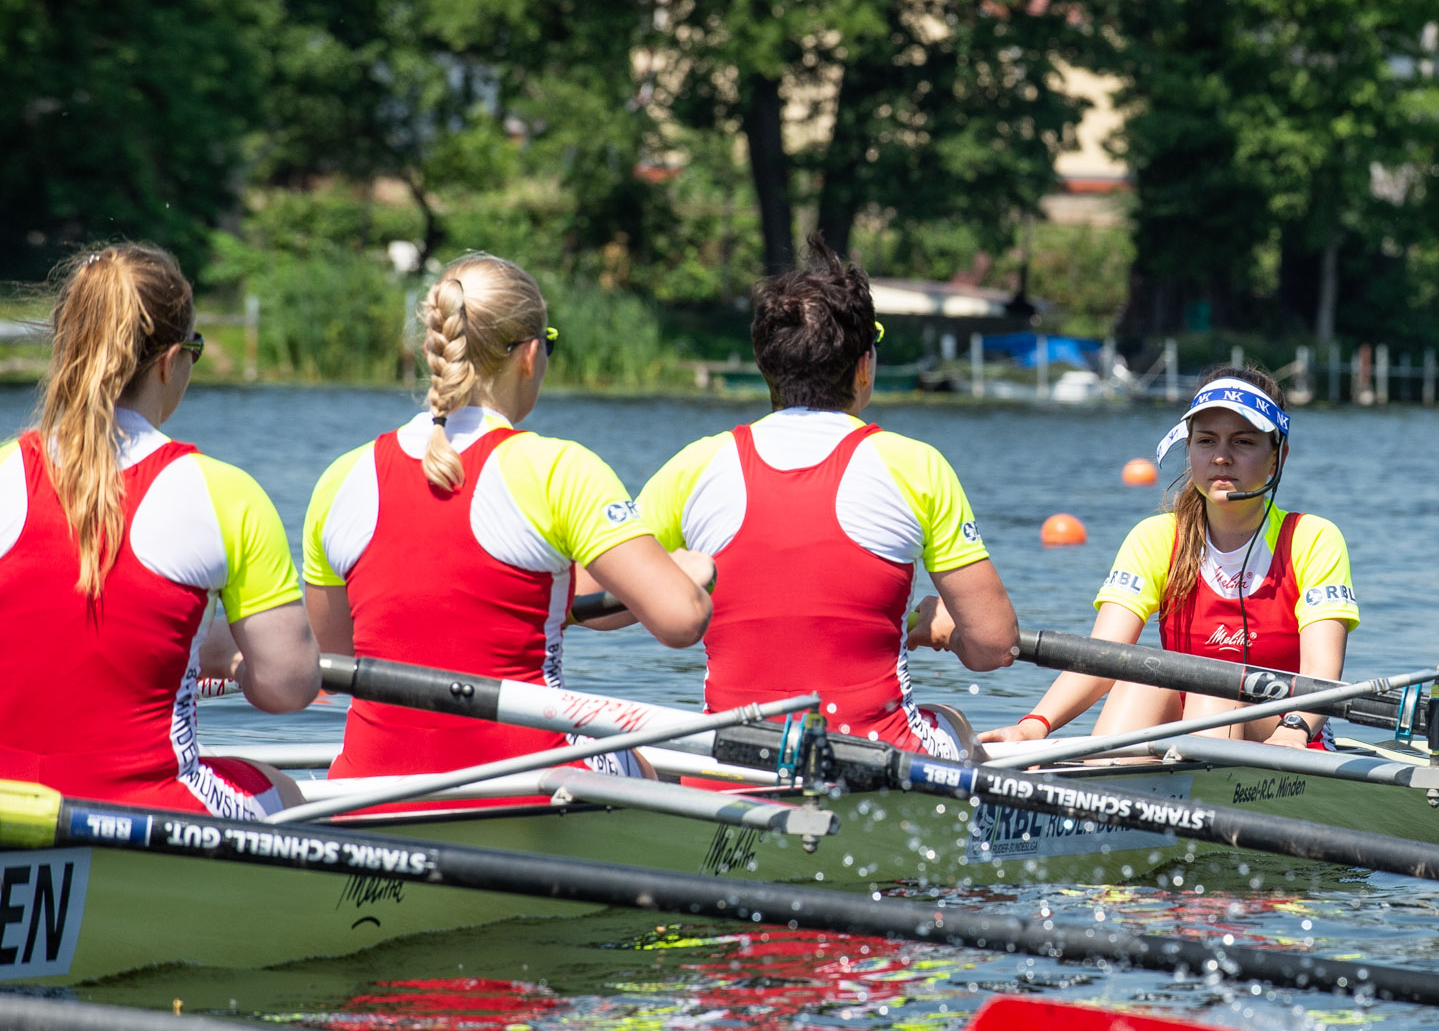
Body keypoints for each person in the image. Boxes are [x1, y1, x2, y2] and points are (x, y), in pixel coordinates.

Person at [304, 253, 712, 777]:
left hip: (371, 785)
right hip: (529, 778)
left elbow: (334, 656)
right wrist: (691, 576)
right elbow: (681, 621)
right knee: (642, 762)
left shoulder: (342, 476)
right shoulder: (558, 469)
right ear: (531, 353)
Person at [637, 231, 1017, 757]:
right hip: (877, 760)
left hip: (732, 764)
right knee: (950, 719)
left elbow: (597, 607)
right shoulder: (914, 465)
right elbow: (996, 646)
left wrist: (673, 573)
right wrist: (947, 631)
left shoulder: (694, 464)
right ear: (864, 364)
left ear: (765, 364)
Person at [0, 244, 320, 815]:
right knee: (288, 790)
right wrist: (231, 658)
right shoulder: (224, 494)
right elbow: (290, 689)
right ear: (171, 360)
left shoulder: (4, 470)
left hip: (12, 811)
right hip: (148, 810)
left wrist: (200, 647)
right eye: (194, 351)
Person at [982, 366, 1357, 750]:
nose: (1222, 458)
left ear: (1278, 456)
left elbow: (1320, 672)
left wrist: (1292, 731)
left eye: (1243, 442)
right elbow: (1101, 658)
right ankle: (1109, 791)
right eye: (1207, 441)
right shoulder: (1156, 538)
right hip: (1187, 724)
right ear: (1189, 448)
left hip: (1290, 733)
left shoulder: (1312, 539)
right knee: (1139, 678)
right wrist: (1033, 727)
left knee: (1214, 691)